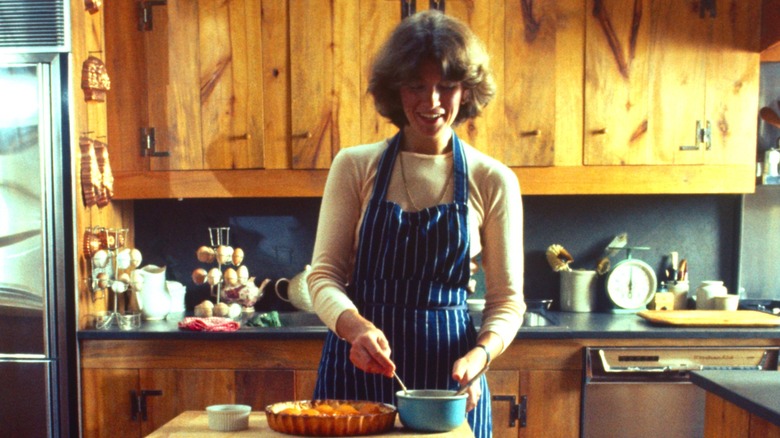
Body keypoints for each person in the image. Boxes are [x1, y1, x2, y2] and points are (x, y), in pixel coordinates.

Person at [308, 10, 525, 437]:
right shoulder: (354, 166)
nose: (432, 102)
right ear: (395, 89)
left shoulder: (492, 179)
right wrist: (356, 328)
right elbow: (323, 276)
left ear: (467, 90)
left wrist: (479, 357)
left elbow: (507, 301)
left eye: (446, 86)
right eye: (416, 86)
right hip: (356, 375)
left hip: (449, 385)